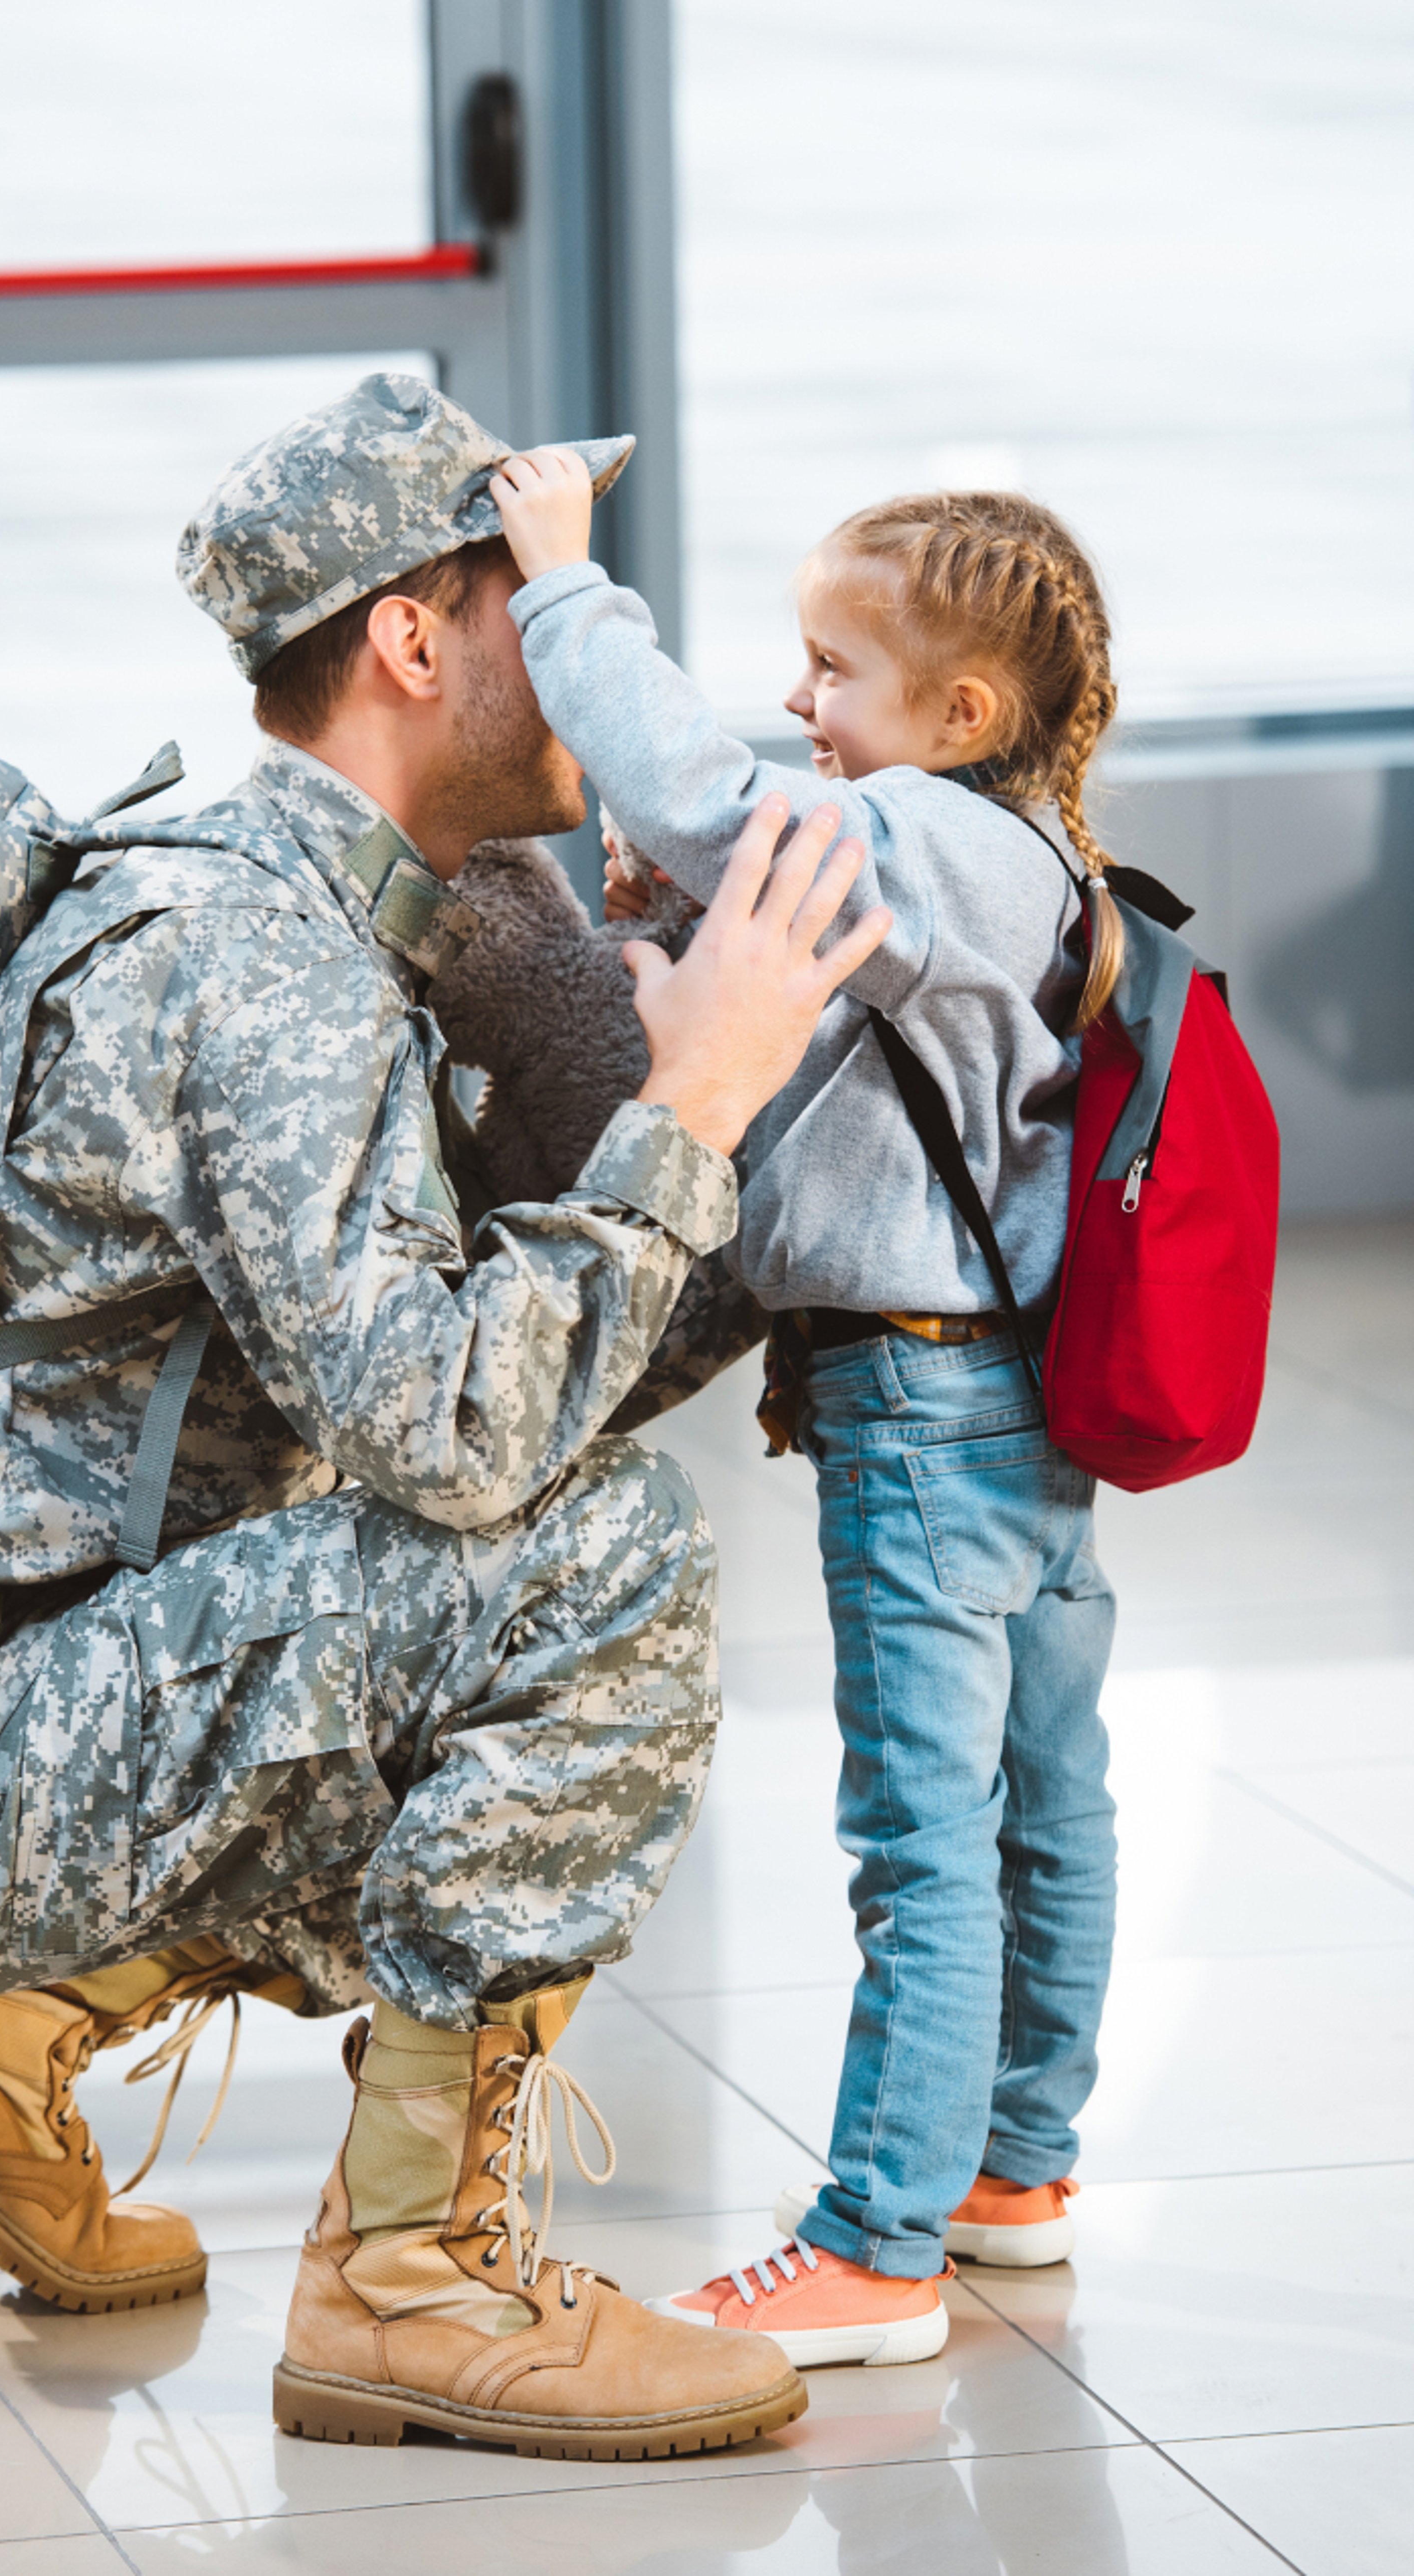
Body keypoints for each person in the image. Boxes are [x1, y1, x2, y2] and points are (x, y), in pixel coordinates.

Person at [0, 374, 890, 2459]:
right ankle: (417, 2282)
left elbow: (496, 1375)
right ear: (414, 637)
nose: (596, 635)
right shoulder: (259, 960)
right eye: (538, 598)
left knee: (510, 1567)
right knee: (609, 1574)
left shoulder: (358, 903)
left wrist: (696, 1117)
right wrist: (696, 1104)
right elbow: (468, 1448)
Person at [488, 452, 1124, 2365]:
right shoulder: (1029, 860)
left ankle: (877, 2246)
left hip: (922, 1423)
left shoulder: (926, 837)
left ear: (961, 716)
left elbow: (696, 786)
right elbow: (828, 1074)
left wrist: (561, 589)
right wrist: (680, 918)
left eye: (834, 669)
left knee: (925, 1836)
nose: (800, 702)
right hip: (1014, 1405)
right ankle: (1010, 2169)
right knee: (1043, 1802)